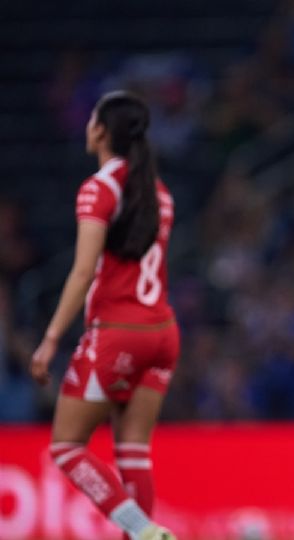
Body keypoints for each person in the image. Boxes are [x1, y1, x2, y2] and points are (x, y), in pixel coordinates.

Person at [29, 91, 178, 540]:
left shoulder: (99, 188)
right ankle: (144, 535)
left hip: (119, 333)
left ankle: (142, 530)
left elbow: (82, 271)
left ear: (100, 131)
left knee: (67, 446)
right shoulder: (160, 193)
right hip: (163, 334)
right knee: (133, 449)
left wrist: (51, 337)